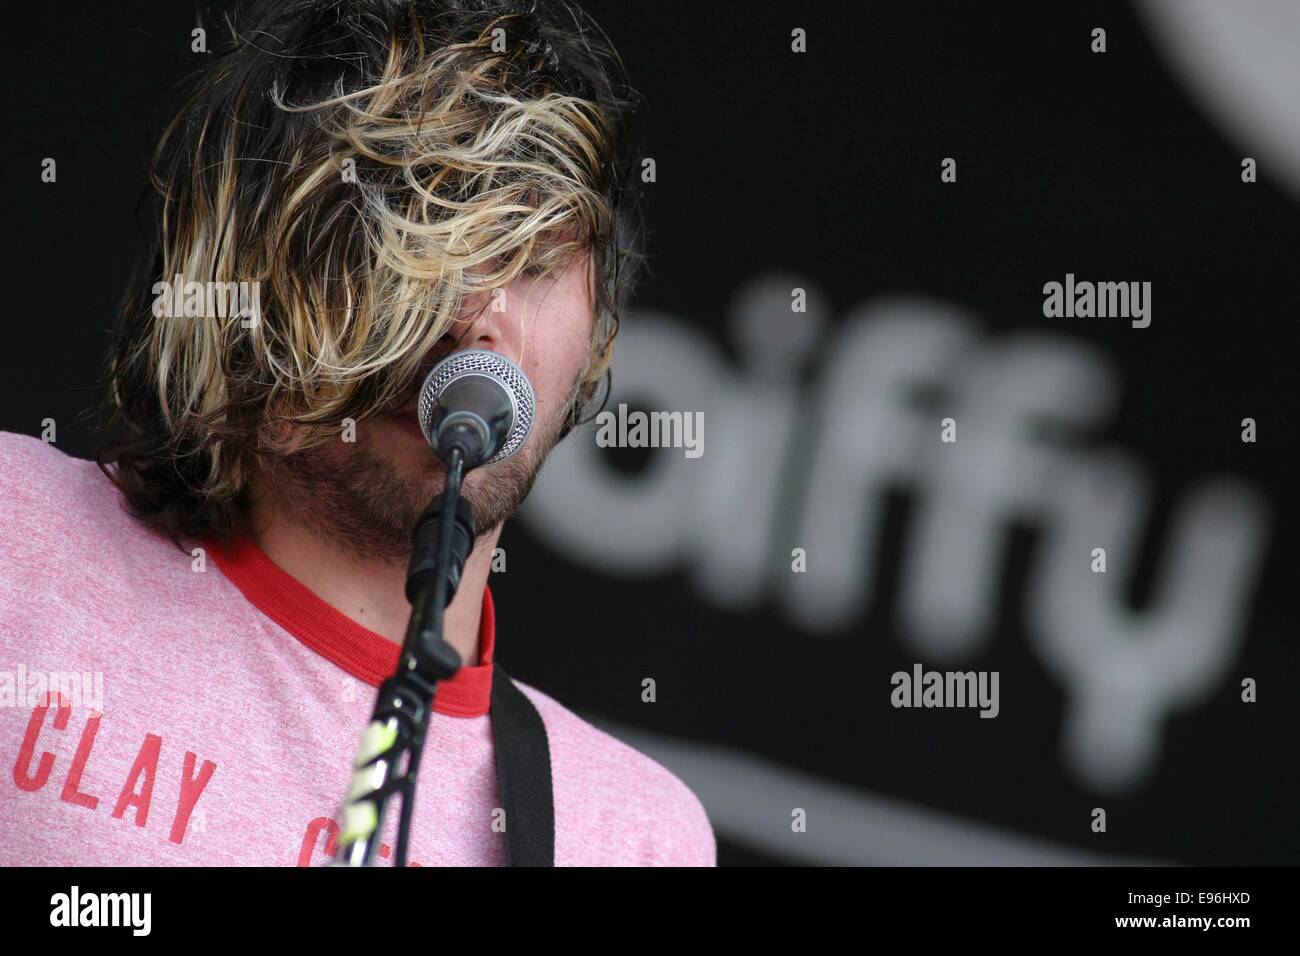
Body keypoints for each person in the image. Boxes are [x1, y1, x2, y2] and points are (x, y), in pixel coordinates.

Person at [0, 0, 715, 867]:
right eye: (404, 238)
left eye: (530, 257)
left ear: (597, 330)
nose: (473, 318)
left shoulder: (634, 837)